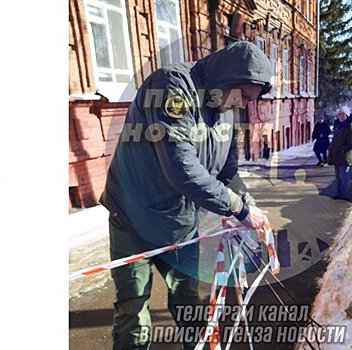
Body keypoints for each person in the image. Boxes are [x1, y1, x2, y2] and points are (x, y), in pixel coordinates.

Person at [99, 41, 273, 350]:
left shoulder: (226, 113)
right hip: (133, 221)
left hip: (181, 227)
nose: (245, 105)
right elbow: (180, 166)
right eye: (244, 95)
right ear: (228, 78)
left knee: (189, 303)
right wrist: (237, 209)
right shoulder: (172, 87)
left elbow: (227, 172)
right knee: (133, 312)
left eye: (251, 100)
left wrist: (248, 204)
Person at [327, 107, 352, 201]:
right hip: (336, 155)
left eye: (343, 114)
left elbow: (351, 144)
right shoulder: (338, 125)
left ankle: (345, 195)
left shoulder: (349, 126)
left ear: (346, 115)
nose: (341, 116)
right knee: (338, 177)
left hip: (344, 156)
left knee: (344, 177)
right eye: (339, 114)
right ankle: (339, 194)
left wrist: (342, 150)